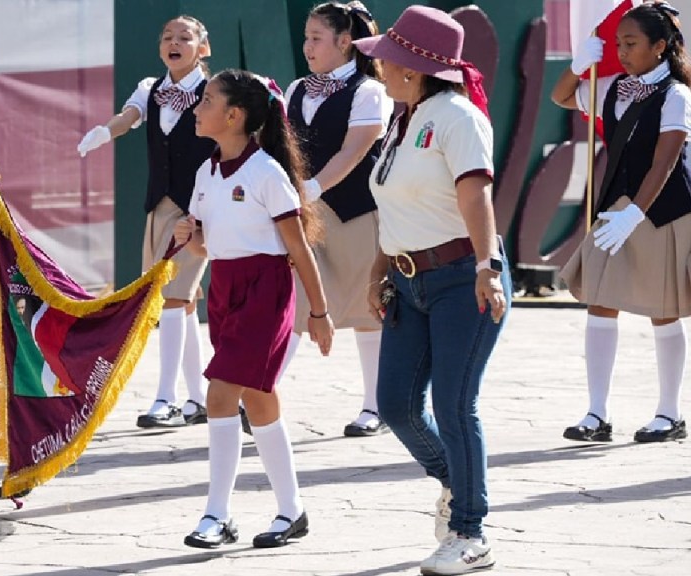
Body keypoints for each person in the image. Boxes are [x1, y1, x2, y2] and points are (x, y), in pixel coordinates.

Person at [354, 6, 508, 574]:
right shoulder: (404, 117)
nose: (379, 70)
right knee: (394, 404)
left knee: (453, 403)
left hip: (462, 278)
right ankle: (456, 481)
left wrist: (487, 268)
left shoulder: (457, 116)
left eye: (387, 60)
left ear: (413, 68)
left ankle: (471, 532)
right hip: (406, 281)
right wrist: (379, 270)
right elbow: (394, 206)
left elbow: (476, 198)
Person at [173, 69, 334, 550]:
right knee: (258, 400)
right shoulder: (205, 173)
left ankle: (215, 515)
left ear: (235, 115)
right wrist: (191, 237)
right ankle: (293, 511)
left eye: (207, 100)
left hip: (266, 289)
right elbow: (207, 247)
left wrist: (319, 313)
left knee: (220, 395)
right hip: (223, 287)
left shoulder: (267, 173)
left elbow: (299, 248)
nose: (198, 108)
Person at [552, 1, 690, 444]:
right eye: (617, 43)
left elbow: (666, 161)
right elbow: (560, 96)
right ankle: (596, 414)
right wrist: (577, 66)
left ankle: (669, 414)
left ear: (661, 46)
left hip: (662, 211)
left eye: (631, 43)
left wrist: (636, 213)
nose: (622, 51)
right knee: (600, 302)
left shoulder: (677, 95)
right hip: (615, 207)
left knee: (663, 309)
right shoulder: (612, 86)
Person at [77, 16, 215, 428]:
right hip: (160, 207)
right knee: (182, 302)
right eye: (167, 37)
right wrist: (105, 132)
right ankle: (198, 399)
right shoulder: (149, 88)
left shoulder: (214, 90)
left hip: (199, 207)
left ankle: (165, 398)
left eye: (184, 38)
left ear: (203, 48)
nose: (174, 43)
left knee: (170, 298)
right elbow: (130, 115)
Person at [283, 0, 393, 437]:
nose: (307, 45)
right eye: (306, 36)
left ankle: (376, 406)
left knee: (369, 309)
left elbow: (356, 148)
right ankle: (261, 394)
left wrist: (314, 187)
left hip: (357, 211)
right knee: (296, 303)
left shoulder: (370, 90)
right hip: (305, 214)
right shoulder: (295, 90)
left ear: (345, 42)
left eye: (316, 37)